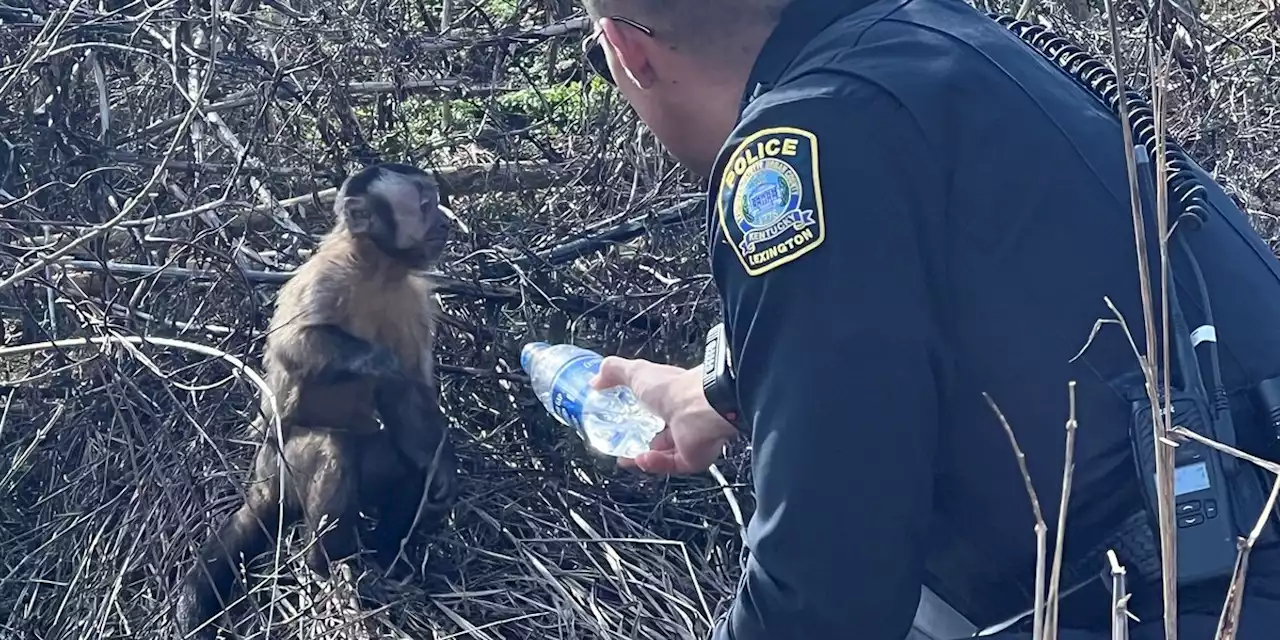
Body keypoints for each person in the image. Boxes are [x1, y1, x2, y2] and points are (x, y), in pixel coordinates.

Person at [580, 0, 1280, 639]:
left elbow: (827, 594)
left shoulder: (797, 143)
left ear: (627, 51)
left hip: (1195, 603)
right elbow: (988, 296)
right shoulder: (938, 43)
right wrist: (716, 392)